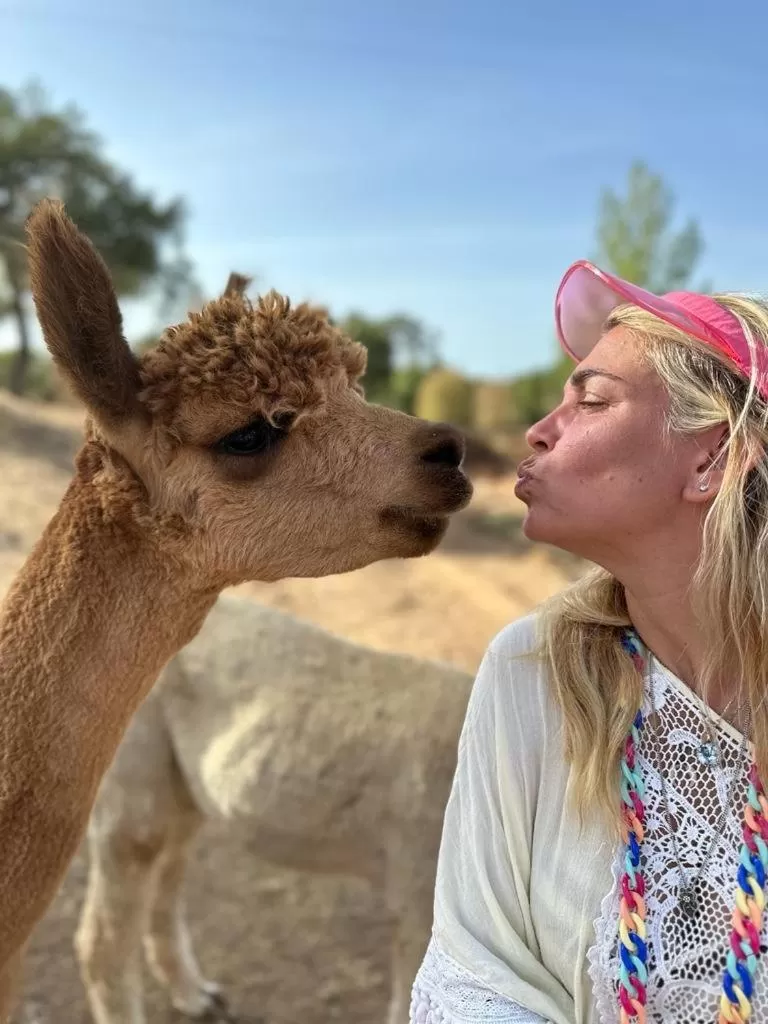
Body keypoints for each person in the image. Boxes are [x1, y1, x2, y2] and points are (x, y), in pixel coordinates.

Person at [409, 260, 768, 1024]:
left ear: (711, 458)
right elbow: (472, 973)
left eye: (593, 400)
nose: (539, 431)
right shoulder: (532, 672)